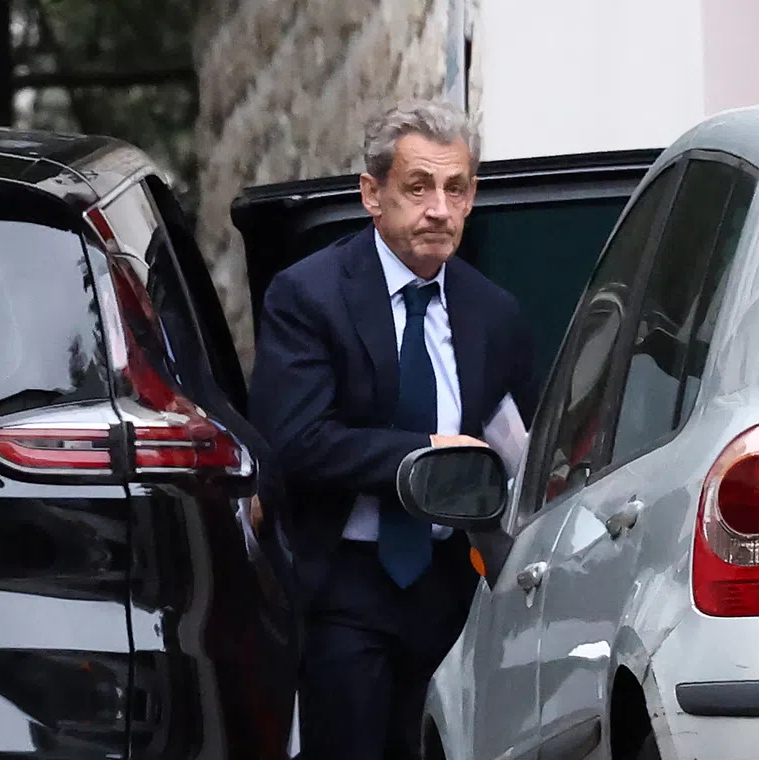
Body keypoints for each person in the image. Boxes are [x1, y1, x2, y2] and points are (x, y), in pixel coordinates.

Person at [247, 99, 539, 760]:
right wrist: (426, 455)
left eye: (455, 189)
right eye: (418, 187)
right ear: (372, 194)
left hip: (454, 584)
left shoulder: (494, 314)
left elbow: (524, 445)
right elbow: (295, 440)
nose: (439, 208)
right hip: (348, 581)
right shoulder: (309, 295)